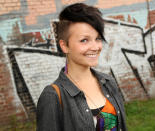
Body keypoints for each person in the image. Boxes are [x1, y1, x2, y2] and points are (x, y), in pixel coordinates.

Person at [36, 3, 127, 131]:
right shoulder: (53, 96)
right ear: (64, 46)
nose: (95, 47)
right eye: (84, 40)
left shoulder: (108, 82)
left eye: (98, 38)